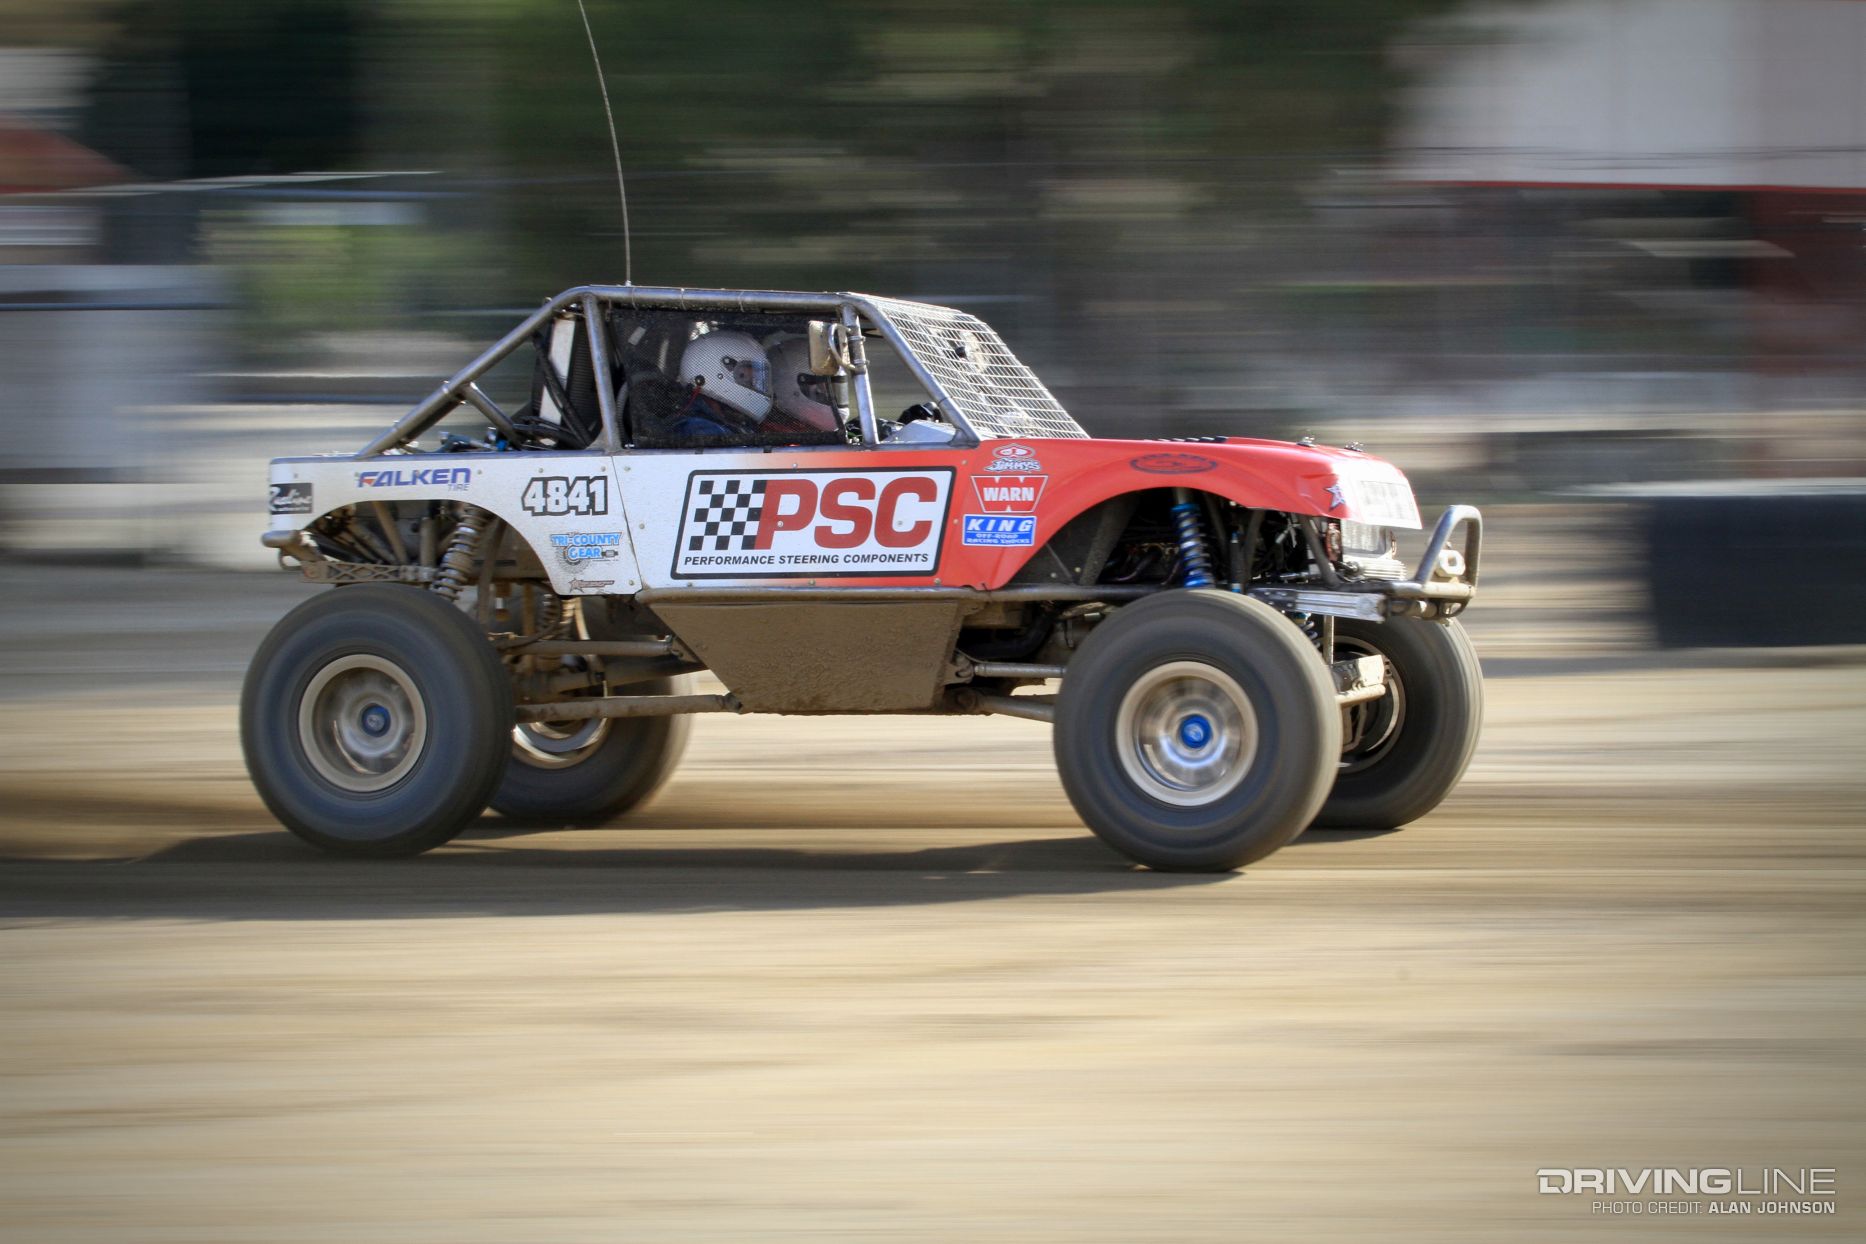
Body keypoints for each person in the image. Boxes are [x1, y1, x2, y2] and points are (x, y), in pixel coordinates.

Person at [668, 329, 774, 439]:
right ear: (713, 373)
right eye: (744, 376)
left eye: (757, 379)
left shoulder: (728, 421)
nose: (754, 384)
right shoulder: (700, 431)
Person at [763, 336, 842, 436]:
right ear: (787, 387)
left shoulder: (853, 433)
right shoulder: (773, 437)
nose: (829, 392)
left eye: (833, 384)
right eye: (818, 389)